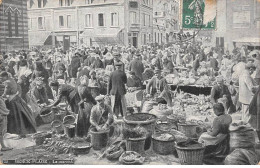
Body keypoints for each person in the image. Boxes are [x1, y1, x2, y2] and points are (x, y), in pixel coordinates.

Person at [0, 71, 36, 138]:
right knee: (20, 117)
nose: (1, 79)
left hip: (12, 101)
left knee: (15, 119)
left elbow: (5, 93)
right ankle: (22, 133)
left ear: (6, 76)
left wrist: (3, 96)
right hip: (17, 99)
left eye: (2, 78)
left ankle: (18, 133)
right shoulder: (12, 80)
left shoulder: (7, 82)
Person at [0, 84, 12, 153]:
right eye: (0, 90)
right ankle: (3, 147)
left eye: (3, 90)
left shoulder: (1, 97)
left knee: (2, 132)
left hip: (3, 115)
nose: (2, 91)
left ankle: (3, 146)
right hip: (1, 116)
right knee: (1, 133)